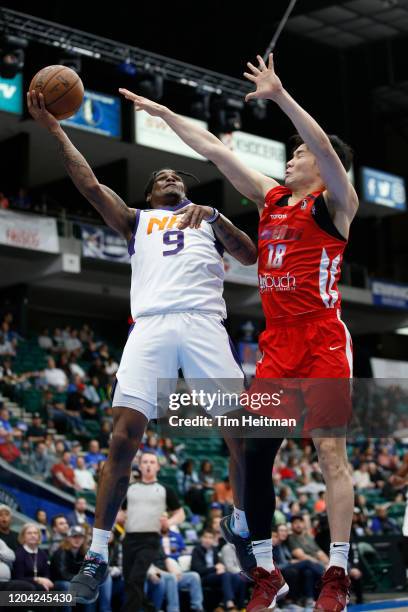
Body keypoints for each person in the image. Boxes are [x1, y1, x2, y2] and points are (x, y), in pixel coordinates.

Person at [121, 51, 358, 611]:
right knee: (254, 455)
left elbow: (323, 147)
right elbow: (214, 150)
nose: (296, 158)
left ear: (323, 170)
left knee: (330, 455)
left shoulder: (337, 206)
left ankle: (338, 570)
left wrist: (279, 97)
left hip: (322, 340)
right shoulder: (271, 200)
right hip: (277, 347)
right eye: (296, 153)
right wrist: (162, 112)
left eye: (300, 154)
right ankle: (266, 573)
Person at [27, 89, 257, 604]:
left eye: (177, 176)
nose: (171, 179)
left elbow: (251, 255)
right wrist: (56, 130)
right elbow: (88, 186)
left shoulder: (208, 223)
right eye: (161, 179)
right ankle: (97, 552)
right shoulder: (136, 222)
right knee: (123, 439)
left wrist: (219, 217)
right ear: (150, 196)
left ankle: (240, 525)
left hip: (203, 325)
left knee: (242, 437)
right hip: (150, 326)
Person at [121, 451, 185, 612]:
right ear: (140, 466)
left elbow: (180, 513)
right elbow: (120, 512)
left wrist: (168, 523)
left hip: (150, 539)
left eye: (152, 462)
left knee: (136, 578)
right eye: (145, 462)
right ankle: (150, 609)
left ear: (157, 467)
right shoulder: (130, 489)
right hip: (129, 539)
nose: (148, 465)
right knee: (130, 581)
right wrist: (119, 518)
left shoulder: (165, 489)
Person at [191, 528, 245, 611]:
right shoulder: (197, 550)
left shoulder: (214, 550)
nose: (207, 540)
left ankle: (240, 606)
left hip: (214, 576)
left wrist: (221, 567)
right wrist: (215, 568)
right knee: (226, 575)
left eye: (210, 538)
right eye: (205, 537)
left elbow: (218, 564)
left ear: (213, 540)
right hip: (203, 577)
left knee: (237, 577)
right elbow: (198, 569)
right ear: (201, 538)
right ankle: (229, 602)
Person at [13, 524, 53, 591]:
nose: (33, 535)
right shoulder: (18, 554)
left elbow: (47, 574)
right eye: (29, 533)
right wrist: (37, 580)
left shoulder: (42, 553)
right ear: (23, 537)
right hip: (24, 585)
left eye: (35, 533)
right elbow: (18, 577)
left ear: (39, 537)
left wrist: (45, 582)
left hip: (41, 584)